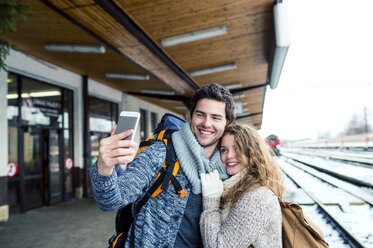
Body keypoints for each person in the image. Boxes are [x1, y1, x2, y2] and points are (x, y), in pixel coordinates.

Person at [90, 84, 236, 248]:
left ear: (228, 124)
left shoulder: (230, 169)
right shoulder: (160, 153)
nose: (206, 123)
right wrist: (104, 169)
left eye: (216, 117)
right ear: (190, 117)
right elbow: (110, 201)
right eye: (200, 115)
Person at [200, 123, 285, 248]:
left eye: (237, 148)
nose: (229, 155)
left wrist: (211, 202)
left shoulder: (256, 197)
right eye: (224, 150)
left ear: (253, 152)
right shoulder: (239, 187)